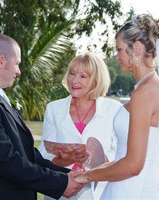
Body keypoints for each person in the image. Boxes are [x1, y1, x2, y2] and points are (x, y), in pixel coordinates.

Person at [0, 33, 86, 200]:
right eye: (16, 64)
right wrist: (61, 183)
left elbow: (27, 154)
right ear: (1, 61)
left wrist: (69, 175)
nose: (18, 71)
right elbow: (6, 161)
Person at [75, 13, 159, 199]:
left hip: (133, 190)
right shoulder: (152, 88)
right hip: (133, 186)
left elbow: (133, 165)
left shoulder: (145, 93)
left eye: (119, 49)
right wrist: (100, 166)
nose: (116, 56)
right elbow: (129, 157)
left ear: (136, 48)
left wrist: (85, 177)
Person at [38, 52, 122, 199]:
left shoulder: (114, 109)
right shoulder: (53, 108)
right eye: (72, 74)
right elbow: (44, 153)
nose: (74, 80)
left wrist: (98, 158)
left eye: (83, 76)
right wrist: (66, 159)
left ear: (96, 80)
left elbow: (122, 152)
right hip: (62, 189)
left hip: (100, 192)